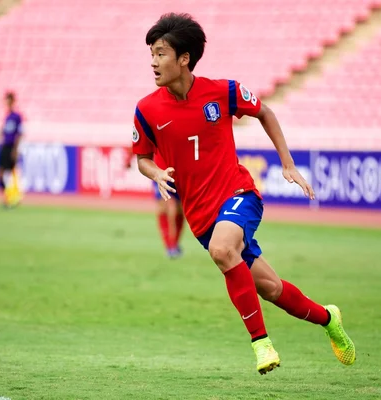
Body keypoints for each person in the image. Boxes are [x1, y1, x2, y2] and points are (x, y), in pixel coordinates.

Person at [131, 13, 355, 374]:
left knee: (223, 250)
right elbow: (141, 158)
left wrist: (287, 163)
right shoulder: (147, 109)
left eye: (161, 54)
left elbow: (264, 111)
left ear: (184, 58)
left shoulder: (222, 91)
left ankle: (261, 344)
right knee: (270, 288)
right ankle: (329, 319)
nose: (153, 62)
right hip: (201, 215)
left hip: (239, 194)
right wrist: (155, 171)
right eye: (151, 54)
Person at [0, 91, 23, 207]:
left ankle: (14, 198)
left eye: (8, 100)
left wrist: (15, 149)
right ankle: (9, 197)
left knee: (12, 173)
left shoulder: (17, 116)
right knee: (0, 174)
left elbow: (19, 134)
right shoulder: (7, 116)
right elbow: (4, 133)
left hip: (11, 147)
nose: (6, 102)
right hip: (5, 147)